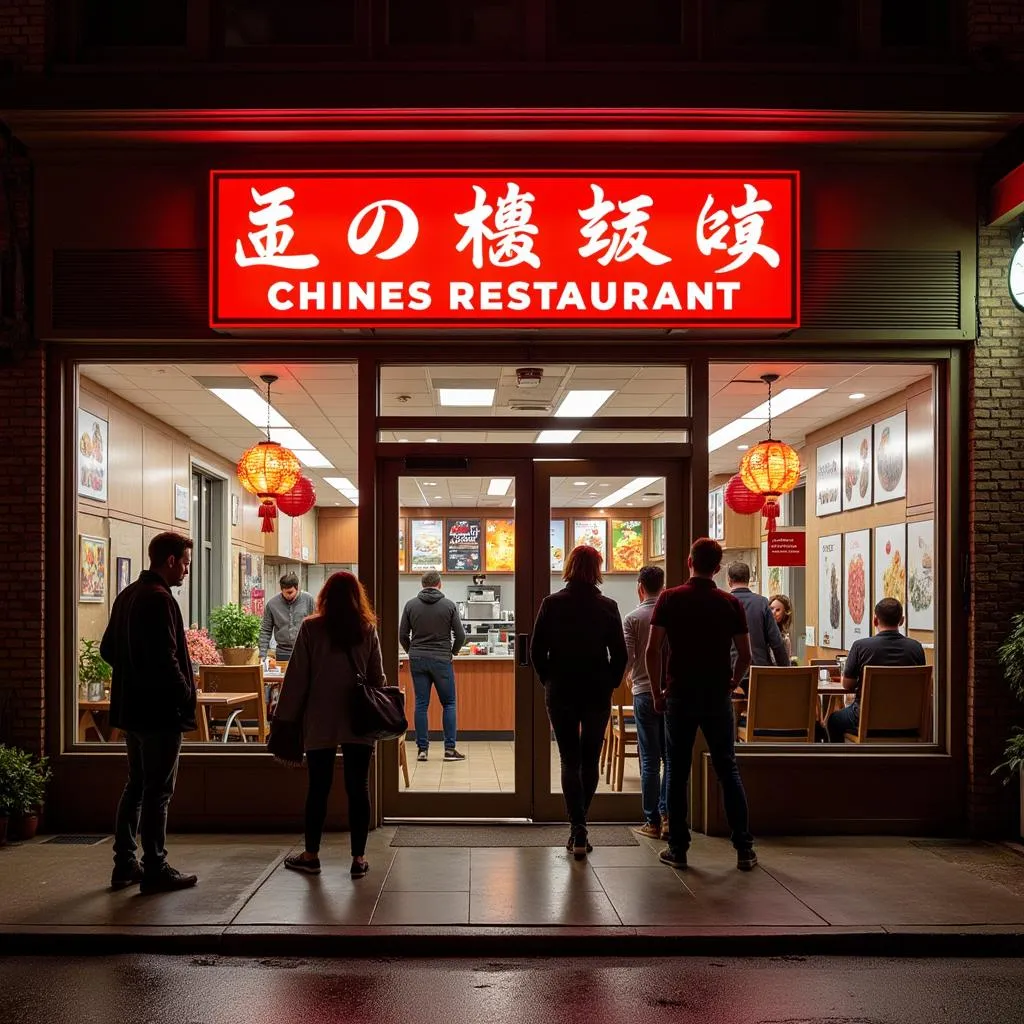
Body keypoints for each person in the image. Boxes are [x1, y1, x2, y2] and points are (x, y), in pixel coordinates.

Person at [645, 537, 757, 872]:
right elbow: (746, 655)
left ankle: (678, 848)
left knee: (677, 773)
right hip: (716, 697)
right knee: (728, 769)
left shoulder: (670, 598)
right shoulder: (729, 603)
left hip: (679, 695)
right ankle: (744, 848)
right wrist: (732, 683)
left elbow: (653, 649)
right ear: (718, 568)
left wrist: (656, 692)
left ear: (689, 561)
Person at [102, 531, 199, 894]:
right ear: (170, 561)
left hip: (132, 711)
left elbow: (107, 649)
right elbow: (167, 660)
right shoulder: (160, 600)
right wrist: (185, 693)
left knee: (136, 786)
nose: (187, 571)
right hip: (160, 714)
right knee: (158, 791)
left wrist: (133, 674)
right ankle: (155, 866)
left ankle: (124, 863)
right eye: (186, 563)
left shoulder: (127, 595)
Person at [274, 571, 386, 879]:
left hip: (320, 720)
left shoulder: (311, 628)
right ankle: (359, 859)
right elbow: (378, 679)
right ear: (356, 597)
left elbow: (296, 679)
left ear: (324, 596)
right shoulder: (367, 629)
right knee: (358, 787)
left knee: (318, 788)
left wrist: (284, 719)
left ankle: (311, 855)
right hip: (358, 719)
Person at [531, 545, 628, 860]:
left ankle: (578, 827)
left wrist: (548, 679)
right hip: (596, 690)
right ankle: (580, 826)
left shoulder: (551, 604)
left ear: (569, 567)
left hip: (561, 690)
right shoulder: (608, 606)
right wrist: (611, 681)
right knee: (590, 760)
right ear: (597, 568)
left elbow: (536, 652)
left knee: (569, 760)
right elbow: (621, 655)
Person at [827, 598, 925, 743]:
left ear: (875, 620)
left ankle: (841, 764)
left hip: (866, 719)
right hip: (907, 720)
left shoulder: (861, 647)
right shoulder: (916, 648)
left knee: (834, 720)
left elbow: (847, 685)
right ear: (902, 620)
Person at [399, 570, 467, 761]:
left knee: (421, 704)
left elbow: (402, 634)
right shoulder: (449, 605)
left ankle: (422, 750)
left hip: (418, 660)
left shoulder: (410, 605)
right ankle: (449, 749)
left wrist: (412, 650)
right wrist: (452, 652)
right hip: (441, 660)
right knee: (449, 703)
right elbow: (460, 636)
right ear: (440, 584)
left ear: (422, 585)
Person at [624, 564, 669, 841]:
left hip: (642, 693)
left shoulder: (632, 618)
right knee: (670, 758)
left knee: (650, 759)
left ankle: (651, 820)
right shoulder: (673, 615)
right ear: (662, 586)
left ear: (640, 586)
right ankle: (667, 817)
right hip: (670, 693)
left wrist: (626, 676)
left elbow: (628, 658)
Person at [727, 562, 788, 689]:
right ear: (748, 579)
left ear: (729, 580)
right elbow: (776, 642)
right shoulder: (761, 603)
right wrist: (786, 671)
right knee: (760, 708)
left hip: (731, 672)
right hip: (759, 672)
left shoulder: (724, 602)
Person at [258, 572, 316, 665]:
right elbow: (265, 630)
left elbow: (316, 625)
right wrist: (262, 655)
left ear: (297, 588)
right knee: (283, 678)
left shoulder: (308, 599)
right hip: (283, 652)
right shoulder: (272, 604)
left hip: (305, 650)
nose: (287, 595)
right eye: (284, 592)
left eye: (290, 592)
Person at [769, 593, 795, 663]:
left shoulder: (785, 639)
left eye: (778, 610)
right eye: (771, 608)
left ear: (784, 614)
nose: (773, 613)